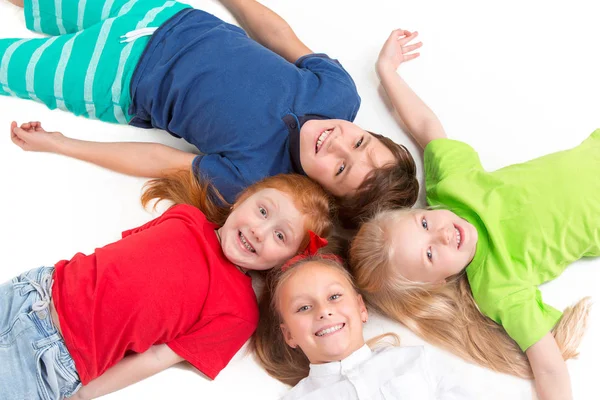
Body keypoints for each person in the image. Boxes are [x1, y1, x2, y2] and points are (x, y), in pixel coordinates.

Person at [3, 0, 419, 228]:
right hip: (163, 15)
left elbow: (161, 162)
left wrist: (62, 144)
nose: (338, 142)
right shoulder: (337, 92)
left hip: (115, 78)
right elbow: (278, 35)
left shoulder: (256, 178)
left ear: (325, 192)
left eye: (341, 168)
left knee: (8, 64)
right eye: (360, 140)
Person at [349, 29, 598, 400]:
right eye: (431, 254)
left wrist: (388, 72)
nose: (444, 233)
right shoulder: (495, 286)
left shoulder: (451, 190)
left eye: (425, 223)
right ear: (436, 283)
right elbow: (546, 363)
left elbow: (427, 127)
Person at [0, 171, 334, 400]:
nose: (260, 231)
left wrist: (85, 392)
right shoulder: (185, 216)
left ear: (284, 262)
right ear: (241, 199)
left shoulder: (240, 312)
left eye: (280, 236)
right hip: (35, 289)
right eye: (262, 210)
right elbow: (115, 260)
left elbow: (160, 356)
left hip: (53, 359)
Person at [252, 255, 473, 399]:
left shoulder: (417, 362)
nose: (323, 311)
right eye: (304, 307)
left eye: (335, 296)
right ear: (289, 334)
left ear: (361, 308)